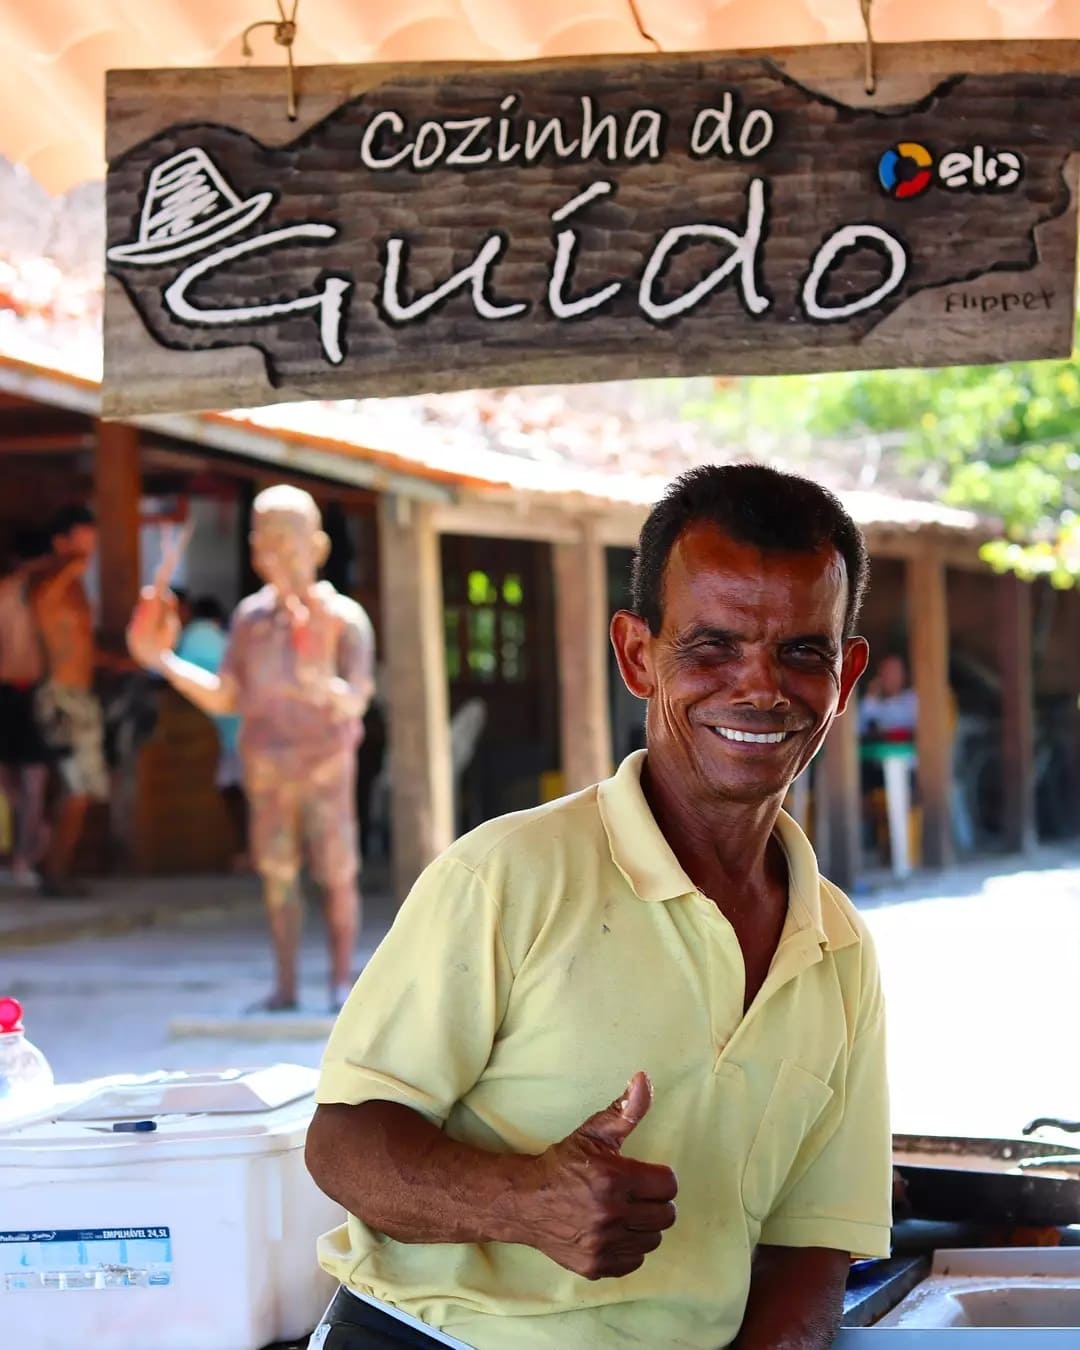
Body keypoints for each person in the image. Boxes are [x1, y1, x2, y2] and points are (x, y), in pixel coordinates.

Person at [304, 464, 891, 1350]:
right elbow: (343, 1143)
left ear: (845, 678)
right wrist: (524, 1201)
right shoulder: (507, 876)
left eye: (803, 653)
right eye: (713, 647)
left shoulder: (839, 951)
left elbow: (812, 1245)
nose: (760, 688)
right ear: (637, 656)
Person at [127, 486, 375, 1013]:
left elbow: (357, 698)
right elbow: (227, 696)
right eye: (263, 541)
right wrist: (165, 662)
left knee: (337, 872)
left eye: (287, 540)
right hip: (266, 768)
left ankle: (341, 981)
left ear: (318, 546)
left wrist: (321, 684)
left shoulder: (343, 618)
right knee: (276, 874)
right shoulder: (249, 619)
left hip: (326, 767)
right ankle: (285, 985)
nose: (273, 553)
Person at [31, 506, 109, 896]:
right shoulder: (49, 581)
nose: (87, 553)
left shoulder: (77, 588)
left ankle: (54, 864)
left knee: (79, 787)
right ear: (60, 543)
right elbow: (42, 600)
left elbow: (80, 644)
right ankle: (55, 873)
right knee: (76, 786)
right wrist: (69, 566)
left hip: (81, 695)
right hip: (60, 695)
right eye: (80, 544)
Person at [175, 595, 248, 870]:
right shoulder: (216, 636)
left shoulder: (196, 635)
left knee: (238, 792)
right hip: (240, 728)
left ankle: (248, 851)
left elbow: (174, 681)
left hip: (234, 730)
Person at [0, 531, 54, 888]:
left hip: (28, 692)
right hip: (9, 692)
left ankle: (25, 853)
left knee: (30, 781)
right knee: (20, 783)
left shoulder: (35, 594)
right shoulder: (12, 592)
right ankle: (24, 852)